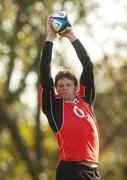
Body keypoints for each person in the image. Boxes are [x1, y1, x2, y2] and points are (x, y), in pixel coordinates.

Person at [40, 17, 100, 180]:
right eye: (60, 85)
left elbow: (88, 66)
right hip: (71, 171)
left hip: (94, 173)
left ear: (76, 87)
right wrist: (50, 38)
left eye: (68, 84)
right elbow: (45, 75)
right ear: (56, 90)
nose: (64, 87)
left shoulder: (85, 100)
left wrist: (71, 35)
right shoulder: (54, 107)